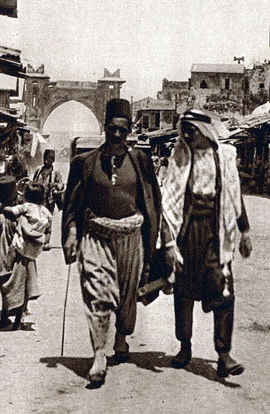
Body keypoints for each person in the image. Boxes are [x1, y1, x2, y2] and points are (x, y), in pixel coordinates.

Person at [62, 99, 162, 386]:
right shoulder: (86, 163)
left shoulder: (140, 161)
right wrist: (71, 232)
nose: (117, 135)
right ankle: (98, 356)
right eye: (112, 129)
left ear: (129, 130)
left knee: (127, 297)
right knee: (97, 293)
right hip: (96, 236)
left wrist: (158, 238)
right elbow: (73, 203)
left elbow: (153, 200)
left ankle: (121, 339)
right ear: (104, 128)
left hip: (131, 238)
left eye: (123, 130)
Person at [160, 110, 252, 378]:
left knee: (223, 290)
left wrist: (244, 231)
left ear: (204, 130)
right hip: (188, 233)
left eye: (192, 130)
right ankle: (185, 347)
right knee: (184, 291)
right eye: (184, 130)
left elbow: (235, 195)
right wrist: (168, 240)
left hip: (216, 231)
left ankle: (224, 355)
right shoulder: (179, 156)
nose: (187, 135)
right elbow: (170, 201)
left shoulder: (224, 156)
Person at [0, 179, 50, 330]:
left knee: (6, 281)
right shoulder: (23, 216)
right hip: (23, 252)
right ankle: (20, 315)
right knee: (23, 283)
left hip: (5, 254)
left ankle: (5, 316)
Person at [32, 149, 64, 250]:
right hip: (38, 200)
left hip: (49, 201)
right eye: (45, 158)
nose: (46, 161)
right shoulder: (38, 170)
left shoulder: (55, 172)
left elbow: (61, 185)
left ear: (53, 160)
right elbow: (33, 181)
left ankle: (46, 242)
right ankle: (37, 240)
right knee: (37, 219)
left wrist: (54, 185)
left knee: (47, 221)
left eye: (49, 159)